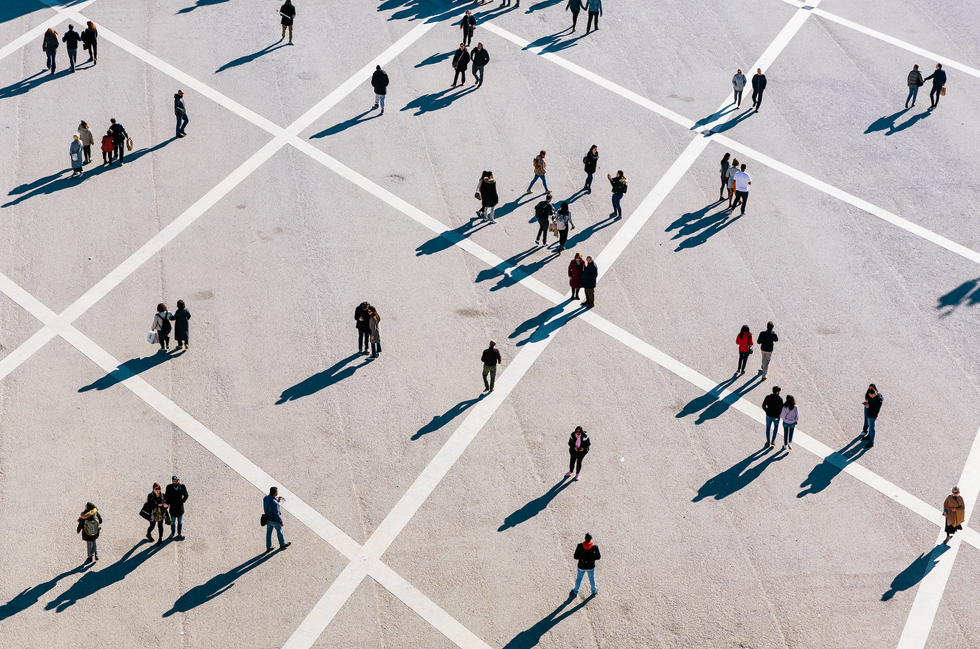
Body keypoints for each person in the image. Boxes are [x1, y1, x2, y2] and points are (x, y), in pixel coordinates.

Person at [263, 487, 291, 551]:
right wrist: (281, 522)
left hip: (268, 519)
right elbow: (277, 515)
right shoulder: (275, 503)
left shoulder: (265, 498)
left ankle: (269, 547)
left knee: (269, 533)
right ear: (275, 493)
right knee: (279, 531)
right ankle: (282, 544)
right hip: (274, 521)